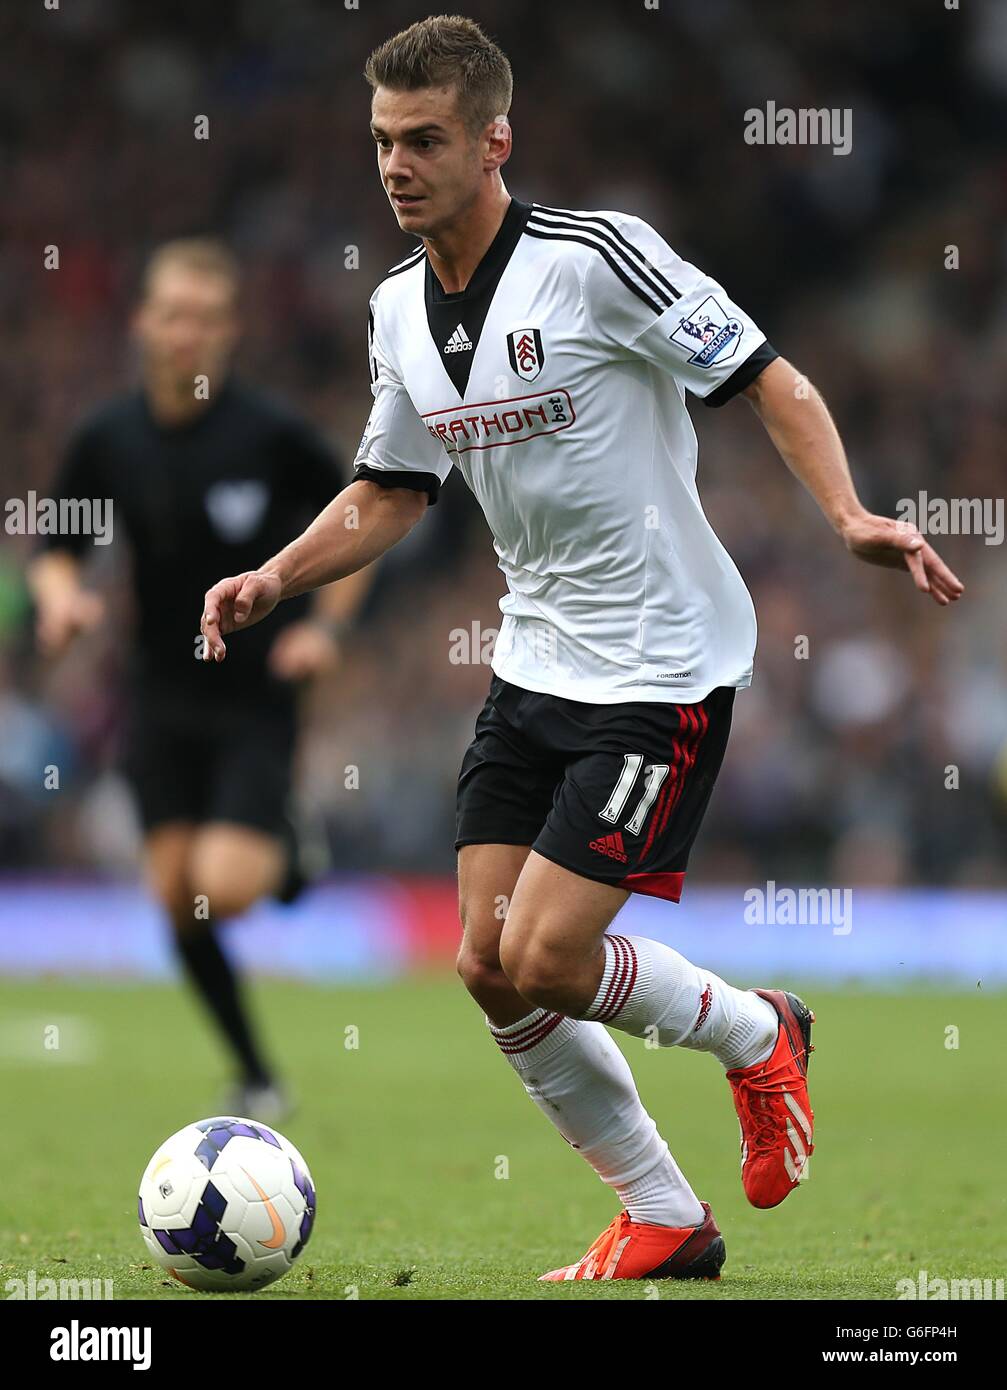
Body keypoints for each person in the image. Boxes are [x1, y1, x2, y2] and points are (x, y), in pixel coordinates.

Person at [199, 16, 964, 1279]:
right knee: (487, 966)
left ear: (494, 140)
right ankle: (664, 1214)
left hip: (664, 664)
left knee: (550, 952)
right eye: (383, 141)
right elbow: (391, 487)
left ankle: (757, 1031)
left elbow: (767, 375)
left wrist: (846, 516)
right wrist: (276, 576)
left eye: (426, 139)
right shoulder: (398, 309)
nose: (396, 164)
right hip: (534, 663)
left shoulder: (598, 258)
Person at [29, 238, 371, 1121]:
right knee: (178, 899)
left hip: (257, 693)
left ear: (230, 332)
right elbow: (54, 552)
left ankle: (289, 843)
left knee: (227, 882)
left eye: (207, 319)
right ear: (145, 322)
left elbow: (365, 517)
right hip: (158, 692)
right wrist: (63, 603)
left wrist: (325, 629)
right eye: (173, 314)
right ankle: (256, 1071)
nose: (188, 334)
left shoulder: (270, 433)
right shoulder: (108, 437)